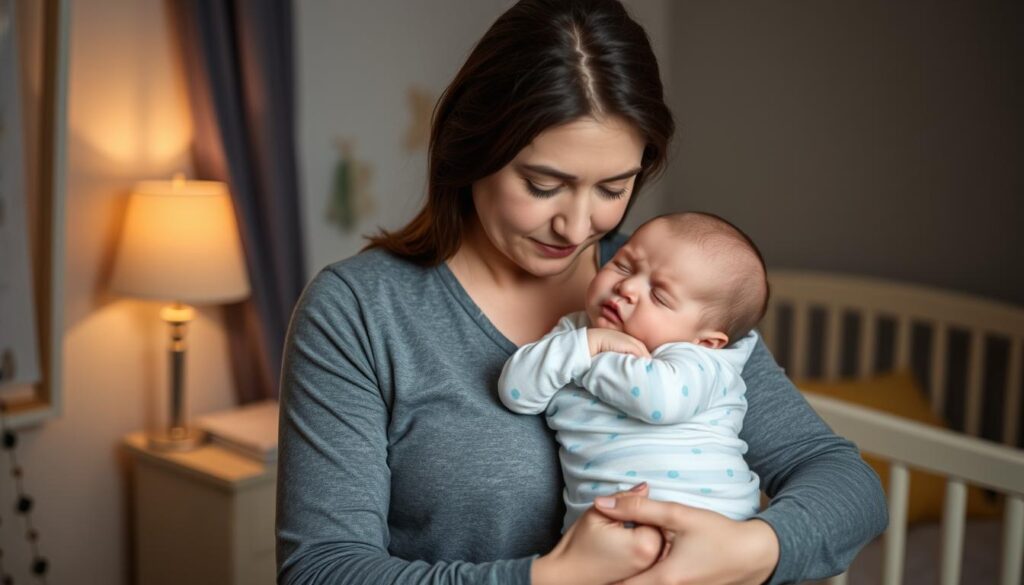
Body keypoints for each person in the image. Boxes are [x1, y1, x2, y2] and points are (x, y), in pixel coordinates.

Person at [276, 1, 887, 584]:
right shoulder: (359, 312)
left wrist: (752, 551)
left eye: (613, 188)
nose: (578, 226)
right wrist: (549, 577)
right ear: (473, 148)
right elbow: (323, 569)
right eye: (543, 185)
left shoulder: (670, 296)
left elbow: (845, 483)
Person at [498, 212, 768, 532]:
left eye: (659, 295)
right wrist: (588, 345)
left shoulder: (704, 362)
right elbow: (516, 392)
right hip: (599, 532)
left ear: (707, 340)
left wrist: (588, 358)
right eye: (623, 265)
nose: (626, 286)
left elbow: (659, 401)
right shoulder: (576, 332)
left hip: (707, 522)